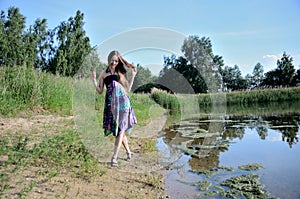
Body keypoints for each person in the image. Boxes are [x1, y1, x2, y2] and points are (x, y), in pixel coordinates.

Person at [91, 50, 137, 167]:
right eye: (112, 60)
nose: (114, 63)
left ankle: (114, 158)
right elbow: (100, 91)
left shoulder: (120, 73)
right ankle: (128, 152)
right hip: (111, 105)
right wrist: (94, 81)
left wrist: (133, 76)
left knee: (120, 130)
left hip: (122, 103)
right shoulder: (103, 74)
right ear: (109, 60)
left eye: (116, 61)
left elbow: (128, 89)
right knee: (118, 130)